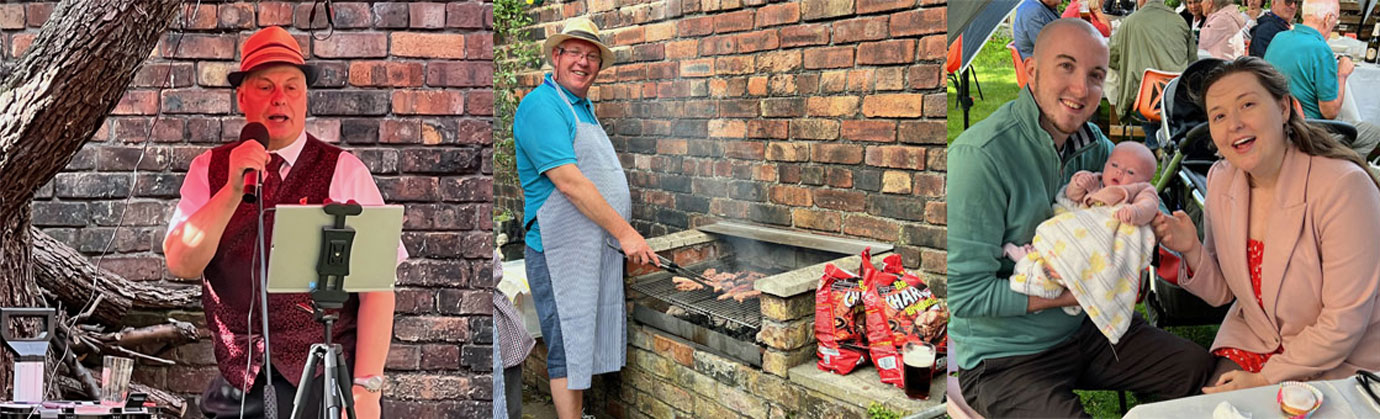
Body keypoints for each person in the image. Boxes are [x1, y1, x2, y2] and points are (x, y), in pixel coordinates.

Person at [947, 18, 1215, 417]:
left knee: (1203, 373)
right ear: (1032, 71)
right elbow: (965, 295)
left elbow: (1140, 198)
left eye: (1095, 75)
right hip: (1004, 356)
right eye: (1066, 66)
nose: (1080, 89)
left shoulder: (1093, 145)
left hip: (1089, 329)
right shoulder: (980, 158)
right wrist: (1077, 293)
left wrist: (1158, 226)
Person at [162, 26, 403, 419]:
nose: (280, 98)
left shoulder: (344, 170)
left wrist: (366, 389)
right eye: (265, 86)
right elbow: (181, 263)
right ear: (242, 97)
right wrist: (231, 190)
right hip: (239, 386)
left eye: (292, 87)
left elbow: (377, 285)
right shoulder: (208, 169)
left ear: (305, 98)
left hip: (322, 385)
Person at [1152, 56, 1380, 393]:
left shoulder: (1343, 188)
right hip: (1258, 340)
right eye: (1219, 116)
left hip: (1343, 360)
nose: (1234, 125)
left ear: (1284, 108)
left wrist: (1263, 380)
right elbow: (1223, 293)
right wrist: (1192, 250)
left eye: (1247, 105)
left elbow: (1343, 324)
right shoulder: (1222, 179)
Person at [512, 17, 659, 419]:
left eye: (592, 56)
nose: (583, 62)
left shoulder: (583, 108)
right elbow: (571, 183)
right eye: (575, 52)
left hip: (590, 250)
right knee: (567, 346)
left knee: (582, 341)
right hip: (559, 254)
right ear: (556, 56)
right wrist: (627, 234)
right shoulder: (541, 105)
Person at [1264, 0, 1380, 159]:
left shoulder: (1279, 38)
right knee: (1375, 134)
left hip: (1276, 122)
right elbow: (1330, 111)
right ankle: (1337, 170)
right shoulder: (1321, 50)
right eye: (1336, 20)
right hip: (1309, 130)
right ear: (1327, 19)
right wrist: (1342, 75)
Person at [1108, 0, 1197, 148]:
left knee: (1138, 88)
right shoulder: (1180, 21)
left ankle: (1154, 143)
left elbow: (1111, 56)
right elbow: (1193, 63)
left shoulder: (1131, 22)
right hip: (1175, 99)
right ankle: (1163, 142)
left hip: (1146, 101)